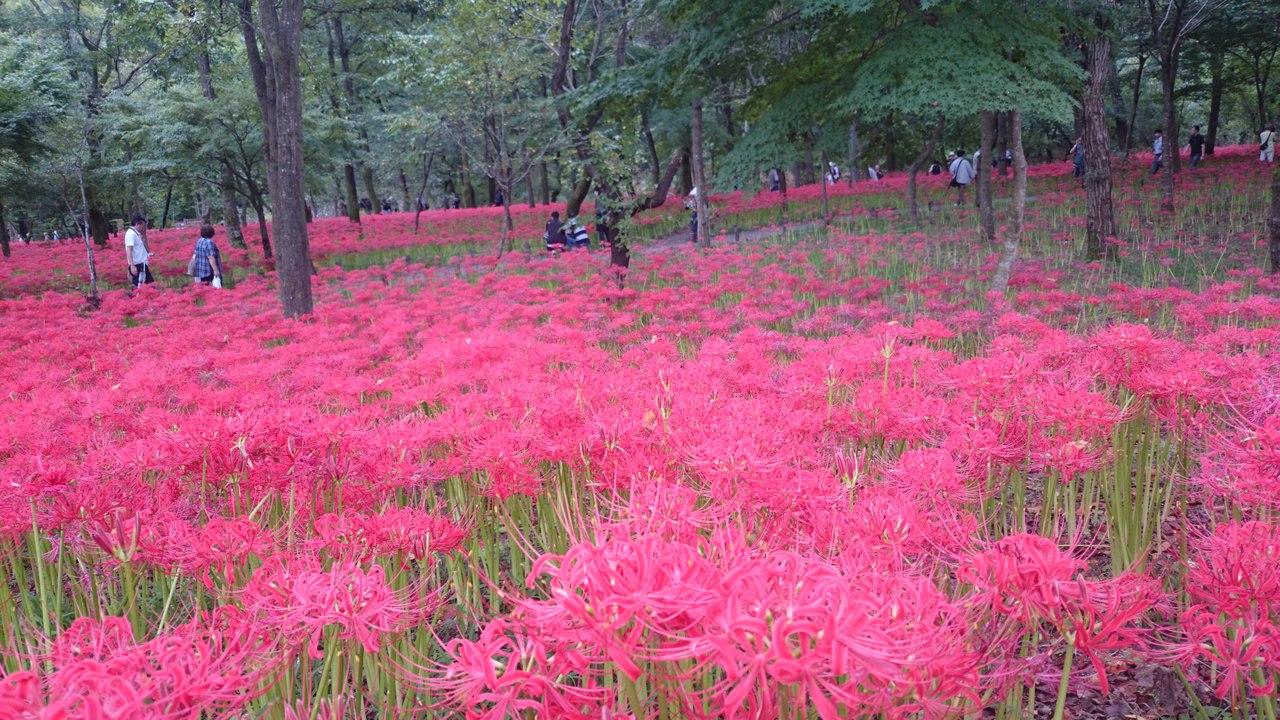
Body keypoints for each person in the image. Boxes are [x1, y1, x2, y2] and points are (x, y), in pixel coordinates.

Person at [124, 215, 153, 288]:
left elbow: (139, 247)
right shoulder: (131, 234)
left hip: (142, 264)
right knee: (139, 288)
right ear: (137, 224)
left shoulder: (136, 233)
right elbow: (129, 250)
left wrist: (148, 253)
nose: (143, 228)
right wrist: (132, 266)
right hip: (137, 265)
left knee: (149, 286)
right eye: (143, 226)